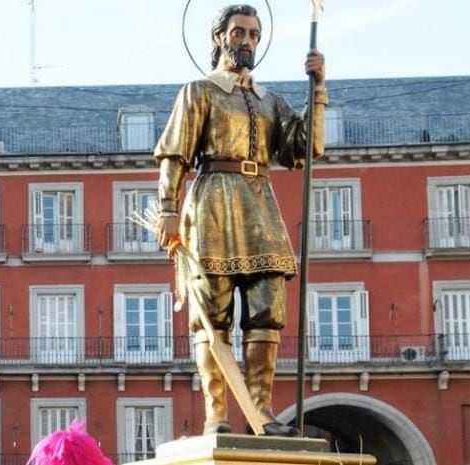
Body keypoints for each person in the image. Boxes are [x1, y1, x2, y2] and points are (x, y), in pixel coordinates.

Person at [154, 4, 327, 436]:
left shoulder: (270, 100)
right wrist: (169, 212)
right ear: (220, 38)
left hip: (260, 205)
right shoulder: (199, 91)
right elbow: (174, 156)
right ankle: (217, 415)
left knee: (268, 309)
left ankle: (261, 414)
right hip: (212, 203)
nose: (247, 41)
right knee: (212, 316)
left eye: (253, 34)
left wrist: (318, 90)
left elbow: (305, 149)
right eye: (238, 33)